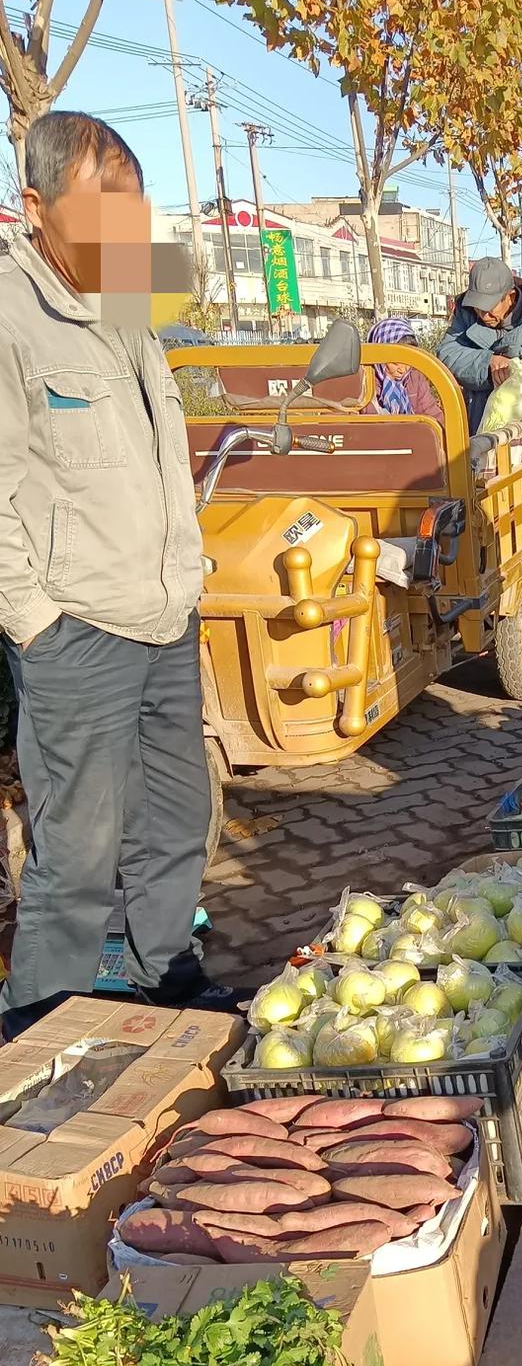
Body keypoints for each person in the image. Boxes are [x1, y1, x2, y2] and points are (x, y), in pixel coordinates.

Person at [0, 112, 239, 1038]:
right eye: (105, 207)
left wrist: (184, 575)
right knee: (77, 856)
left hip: (162, 610)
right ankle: (38, 1035)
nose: (125, 229)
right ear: (35, 206)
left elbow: (165, 427)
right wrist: (33, 619)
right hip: (77, 627)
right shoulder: (12, 313)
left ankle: (164, 974)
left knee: (177, 818)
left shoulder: (127, 287)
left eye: (136, 210)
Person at [436, 257, 522, 432]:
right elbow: (446, 353)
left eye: (489, 307)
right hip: (476, 427)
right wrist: (487, 362)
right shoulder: (466, 314)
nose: (484, 315)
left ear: (510, 297)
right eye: (478, 307)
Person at [364, 316, 445, 424]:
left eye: (407, 362)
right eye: (395, 363)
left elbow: (431, 412)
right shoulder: (366, 383)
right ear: (380, 359)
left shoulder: (415, 379)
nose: (402, 370)